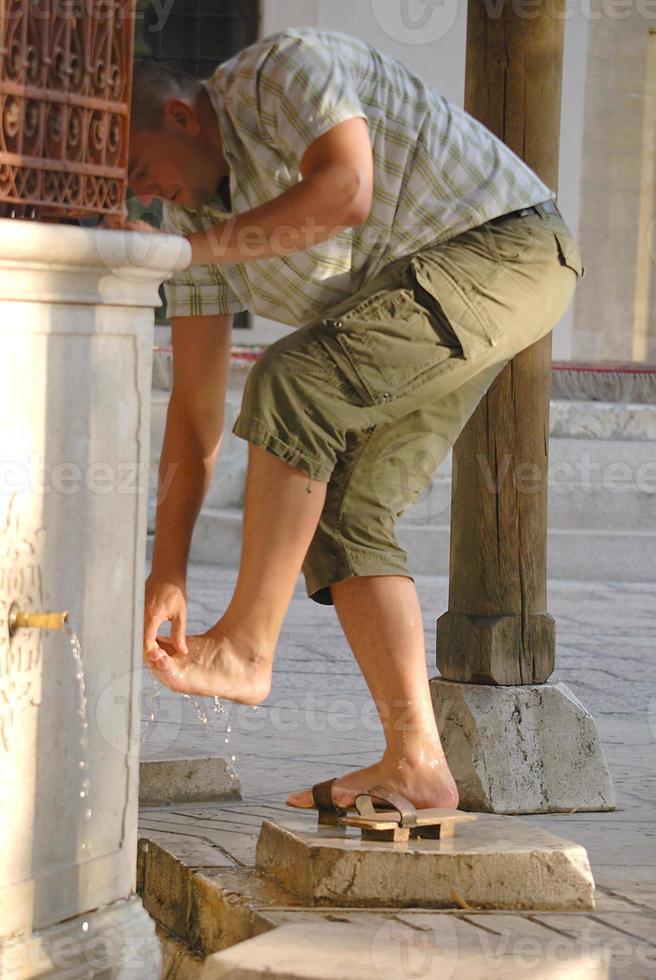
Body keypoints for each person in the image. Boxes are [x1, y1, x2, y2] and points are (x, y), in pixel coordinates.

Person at [128, 27, 584, 815]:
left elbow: (348, 190)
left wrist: (196, 253)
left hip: (506, 247)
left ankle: (245, 649)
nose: (147, 193)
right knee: (345, 510)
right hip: (431, 286)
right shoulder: (188, 229)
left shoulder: (278, 70)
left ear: (180, 116)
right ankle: (417, 761)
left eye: (141, 169)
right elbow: (195, 412)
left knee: (293, 382)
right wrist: (167, 567)